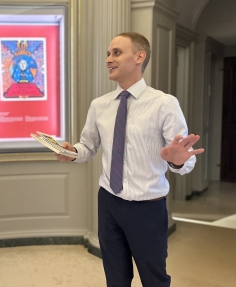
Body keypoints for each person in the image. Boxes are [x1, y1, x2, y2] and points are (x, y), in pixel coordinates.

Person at [56, 32, 204, 287]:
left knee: (154, 278)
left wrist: (177, 160)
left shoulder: (164, 104)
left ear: (139, 56)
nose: (108, 59)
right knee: (115, 277)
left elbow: (184, 161)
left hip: (147, 207)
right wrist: (72, 152)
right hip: (109, 203)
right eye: (108, 54)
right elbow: (88, 146)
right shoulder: (99, 105)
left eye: (116, 52)